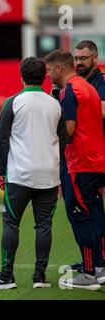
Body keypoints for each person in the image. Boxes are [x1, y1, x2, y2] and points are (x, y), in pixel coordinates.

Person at [0, 57, 65, 290]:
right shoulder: (55, 104)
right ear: (44, 76)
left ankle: (7, 276)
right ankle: (40, 277)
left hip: (19, 175)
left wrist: (1, 171)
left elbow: (2, 140)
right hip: (48, 175)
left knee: (11, 223)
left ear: (21, 76)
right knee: (44, 226)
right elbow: (63, 141)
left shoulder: (14, 102)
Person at [45, 49, 105, 290]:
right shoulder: (85, 86)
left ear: (59, 68)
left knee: (80, 215)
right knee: (93, 214)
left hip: (81, 163)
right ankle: (97, 266)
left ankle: (90, 273)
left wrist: (46, 136)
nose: (47, 75)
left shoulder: (70, 90)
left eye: (49, 70)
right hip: (95, 160)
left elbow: (68, 130)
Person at [62, 40, 105, 273]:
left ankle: (97, 264)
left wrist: (75, 107)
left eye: (83, 58)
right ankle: (92, 260)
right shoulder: (75, 85)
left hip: (92, 157)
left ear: (94, 59)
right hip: (77, 156)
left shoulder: (99, 82)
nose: (79, 62)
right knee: (78, 212)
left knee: (90, 212)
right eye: (76, 58)